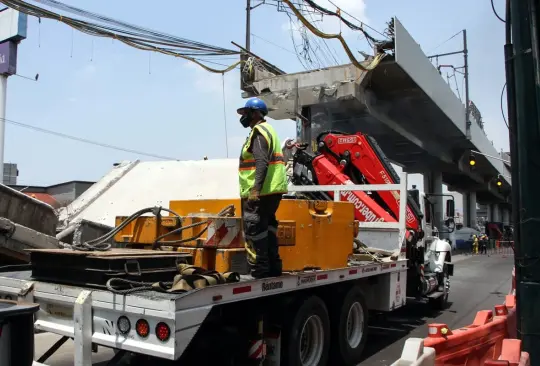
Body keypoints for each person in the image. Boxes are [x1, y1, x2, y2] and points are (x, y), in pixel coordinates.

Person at [237, 98, 288, 279]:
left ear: (255, 113)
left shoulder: (259, 132)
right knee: (268, 227)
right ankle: (274, 267)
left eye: (246, 113)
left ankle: (259, 269)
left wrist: (255, 190)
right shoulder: (269, 130)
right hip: (272, 190)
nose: (243, 117)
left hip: (262, 191)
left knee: (254, 228)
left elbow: (261, 162)